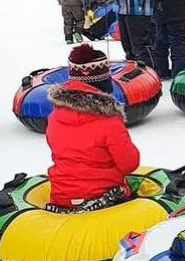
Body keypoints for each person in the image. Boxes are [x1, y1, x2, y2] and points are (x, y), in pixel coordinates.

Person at [44, 45, 140, 213]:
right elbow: (129, 163)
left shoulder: (54, 117)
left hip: (62, 196)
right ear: (103, 81)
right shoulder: (109, 120)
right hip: (102, 196)